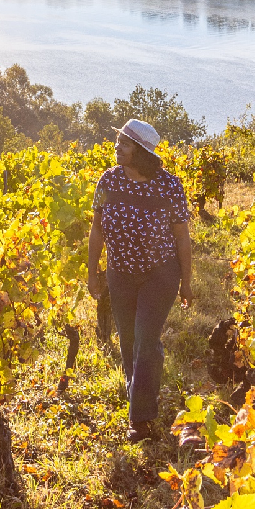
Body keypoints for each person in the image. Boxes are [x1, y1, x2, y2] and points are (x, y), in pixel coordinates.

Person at [87, 117, 193, 441]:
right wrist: (92, 273)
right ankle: (142, 399)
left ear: (142, 152)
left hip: (160, 275)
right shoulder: (108, 181)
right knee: (130, 342)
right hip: (120, 275)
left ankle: (140, 420)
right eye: (119, 141)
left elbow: (182, 237)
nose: (117, 147)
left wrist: (186, 282)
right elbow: (96, 229)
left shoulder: (169, 186)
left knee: (146, 341)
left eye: (124, 143)